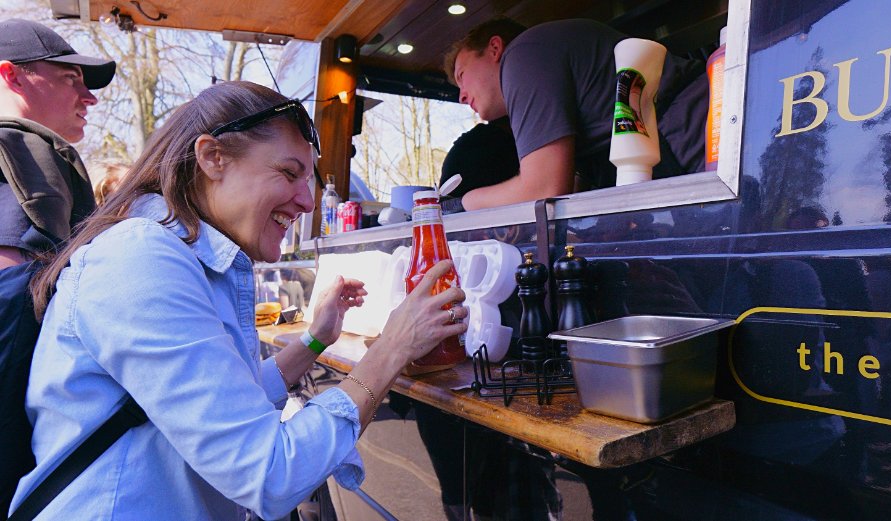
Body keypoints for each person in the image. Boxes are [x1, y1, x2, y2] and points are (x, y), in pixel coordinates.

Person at [10, 81, 469, 520]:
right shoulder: (140, 259)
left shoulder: (177, 256)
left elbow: (229, 402)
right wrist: (393, 347)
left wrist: (314, 341)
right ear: (212, 158)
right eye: (289, 173)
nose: (308, 202)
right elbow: (269, 473)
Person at [445, 18, 708, 210]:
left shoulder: (522, 54)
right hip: (672, 145)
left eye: (462, 76)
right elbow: (569, 186)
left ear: (494, 48)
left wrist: (463, 204)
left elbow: (543, 188)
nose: (462, 95)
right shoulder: (545, 62)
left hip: (690, 132)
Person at [0, 18, 114, 270]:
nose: (90, 98)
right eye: (71, 78)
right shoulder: (18, 150)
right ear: (12, 76)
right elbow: (8, 290)